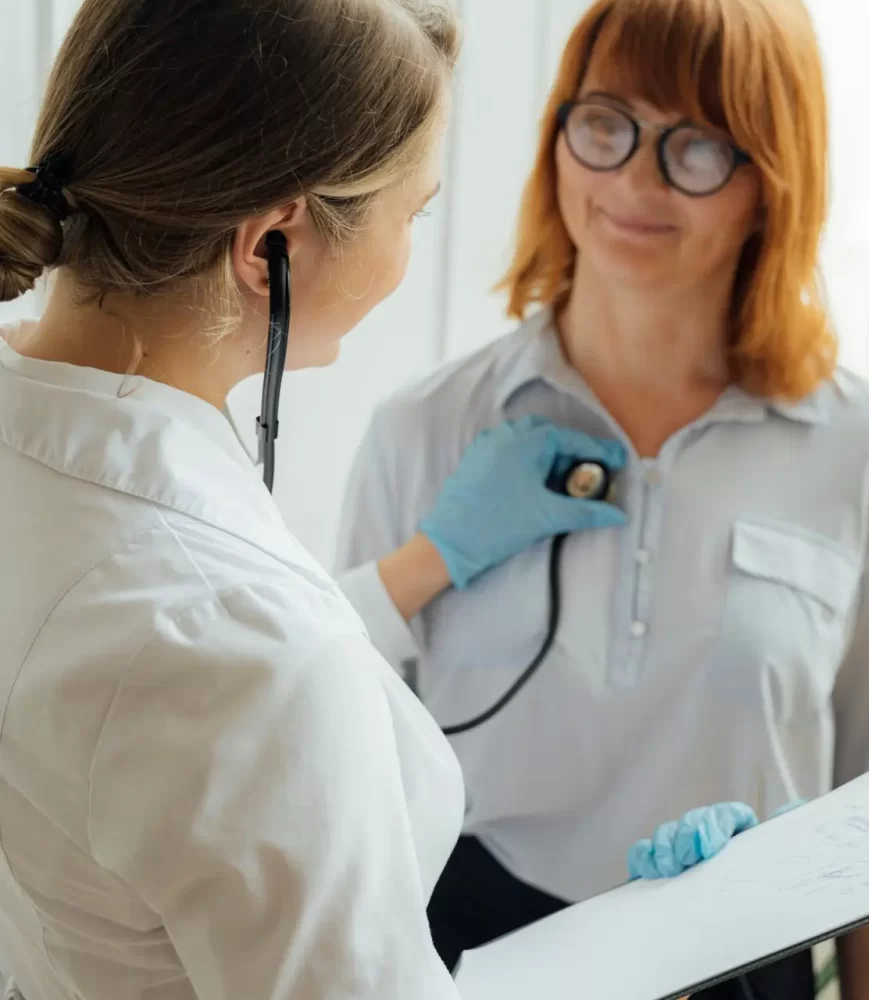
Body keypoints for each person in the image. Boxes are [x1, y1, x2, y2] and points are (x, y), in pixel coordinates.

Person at [0, 2, 754, 998]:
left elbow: (154, 716)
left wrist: (421, 564)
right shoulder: (242, 643)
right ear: (275, 241)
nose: (408, 250)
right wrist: (651, 960)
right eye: (416, 213)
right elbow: (212, 674)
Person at [333, 0, 869, 998]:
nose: (633, 180)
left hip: (745, 963)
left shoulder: (868, 455)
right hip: (469, 956)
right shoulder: (429, 426)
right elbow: (330, 741)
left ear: (770, 181)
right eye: (606, 123)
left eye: (695, 146)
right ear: (560, 134)